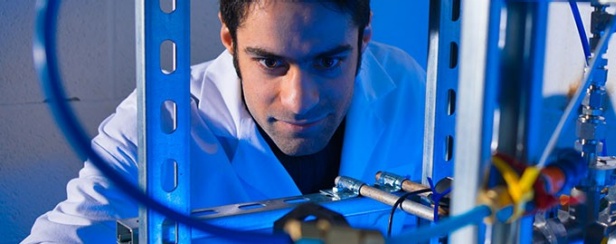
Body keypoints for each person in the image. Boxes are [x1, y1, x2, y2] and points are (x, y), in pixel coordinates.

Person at [23, 0, 424, 242]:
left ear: (364, 37)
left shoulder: (404, 83)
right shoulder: (158, 124)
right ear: (230, 41)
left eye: (328, 61)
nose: (299, 101)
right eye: (270, 62)